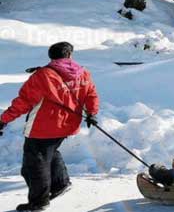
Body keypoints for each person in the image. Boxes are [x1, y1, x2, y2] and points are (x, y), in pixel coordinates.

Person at [0, 42, 100, 212]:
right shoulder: (83, 73)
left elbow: (23, 102)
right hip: (68, 124)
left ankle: (39, 202)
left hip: (43, 127)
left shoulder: (43, 75)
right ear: (69, 55)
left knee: (34, 164)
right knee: (50, 151)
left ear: (51, 56)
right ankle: (60, 183)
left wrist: (3, 120)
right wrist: (92, 113)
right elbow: (91, 94)